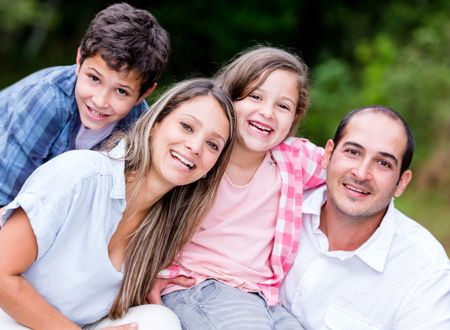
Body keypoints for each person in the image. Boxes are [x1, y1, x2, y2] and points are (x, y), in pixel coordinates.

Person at [0, 78, 236, 329]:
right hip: (10, 317)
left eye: (213, 144)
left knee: (160, 322)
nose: (195, 146)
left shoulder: (166, 225)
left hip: (77, 325)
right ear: (156, 124)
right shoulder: (79, 174)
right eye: (187, 127)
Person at [149, 46, 325, 329]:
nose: (267, 112)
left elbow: (344, 169)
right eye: (255, 96)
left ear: (294, 117)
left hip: (263, 296)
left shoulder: (293, 159)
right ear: (229, 97)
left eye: (283, 106)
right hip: (199, 286)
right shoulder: (200, 154)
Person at [280, 106, 450, 329]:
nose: (361, 173)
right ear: (328, 155)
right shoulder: (277, 203)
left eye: (383, 163)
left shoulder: (425, 273)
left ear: (401, 183)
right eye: (353, 152)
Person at [0, 2, 170, 207]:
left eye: (121, 91)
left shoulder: (138, 125)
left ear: (144, 94)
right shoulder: (49, 98)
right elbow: (6, 194)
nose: (100, 101)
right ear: (79, 59)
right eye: (94, 79)